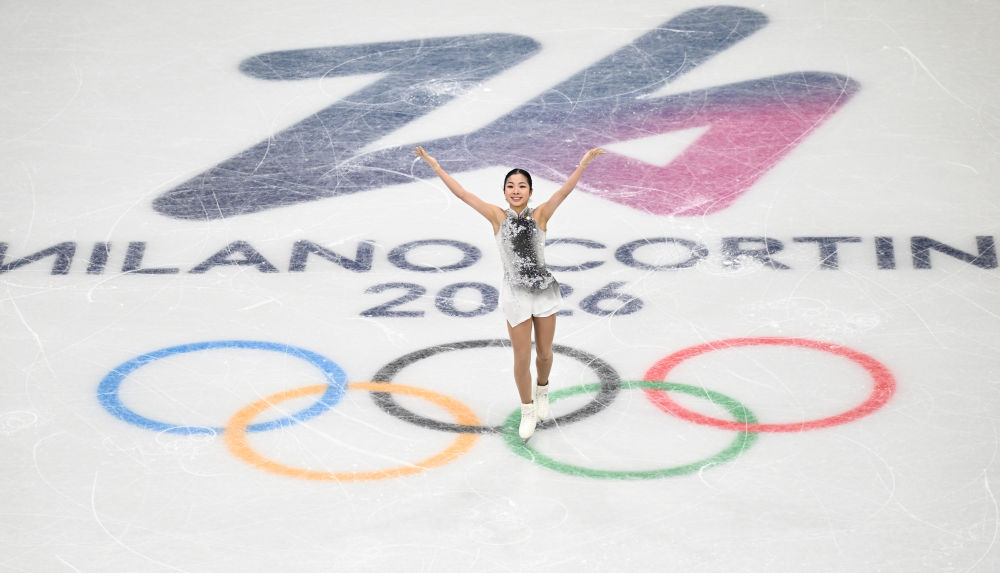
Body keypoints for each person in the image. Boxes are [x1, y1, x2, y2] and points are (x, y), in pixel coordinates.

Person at [413, 146, 606, 439]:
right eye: (511, 186)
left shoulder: (541, 215)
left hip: (543, 292)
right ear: (504, 192)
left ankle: (542, 390)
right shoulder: (497, 217)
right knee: (521, 357)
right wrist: (436, 166)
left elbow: (563, 192)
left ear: (530, 191)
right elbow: (463, 194)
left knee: (545, 354)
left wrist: (582, 165)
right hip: (515, 296)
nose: (516, 191)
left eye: (521, 186)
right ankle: (527, 409)